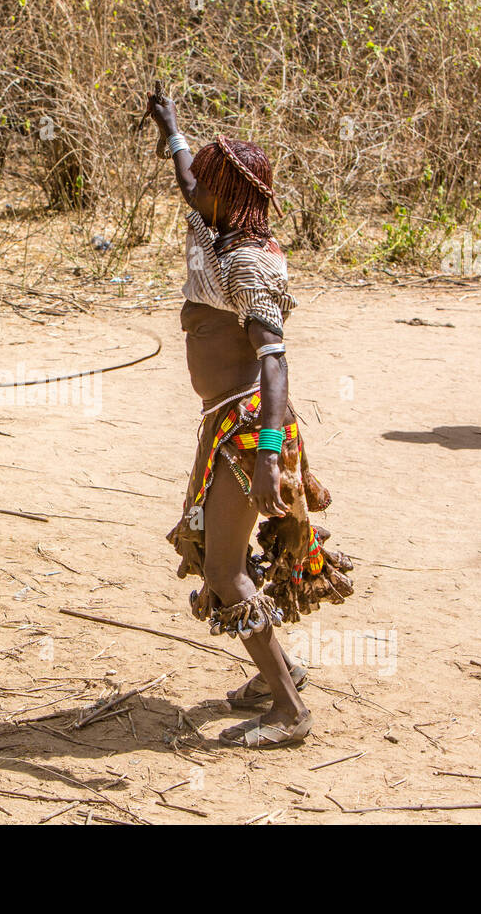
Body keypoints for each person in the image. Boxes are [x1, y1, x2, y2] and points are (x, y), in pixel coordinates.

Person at [148, 90, 355, 748]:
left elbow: (274, 363)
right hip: (228, 426)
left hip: (248, 433)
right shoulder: (220, 232)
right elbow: (186, 179)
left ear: (225, 196)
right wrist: (172, 128)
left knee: (224, 572)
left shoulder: (246, 265)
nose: (192, 191)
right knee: (217, 552)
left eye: (205, 184)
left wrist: (268, 456)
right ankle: (276, 675)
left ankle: (290, 710)